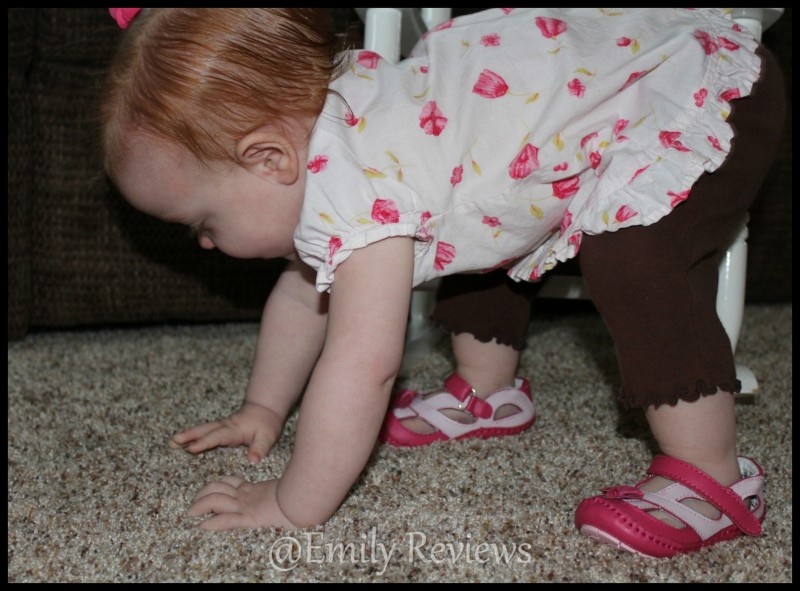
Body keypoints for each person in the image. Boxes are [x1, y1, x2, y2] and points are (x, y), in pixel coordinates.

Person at [102, 8, 785, 557]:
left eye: (204, 221)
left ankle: (714, 475)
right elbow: (303, 293)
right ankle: (489, 392)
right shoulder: (333, 131)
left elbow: (364, 361)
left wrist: (290, 501)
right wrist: (264, 409)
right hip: (591, 91)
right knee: (469, 222)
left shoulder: (361, 186)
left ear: (270, 158)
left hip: (695, 86)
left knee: (635, 262)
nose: (206, 243)